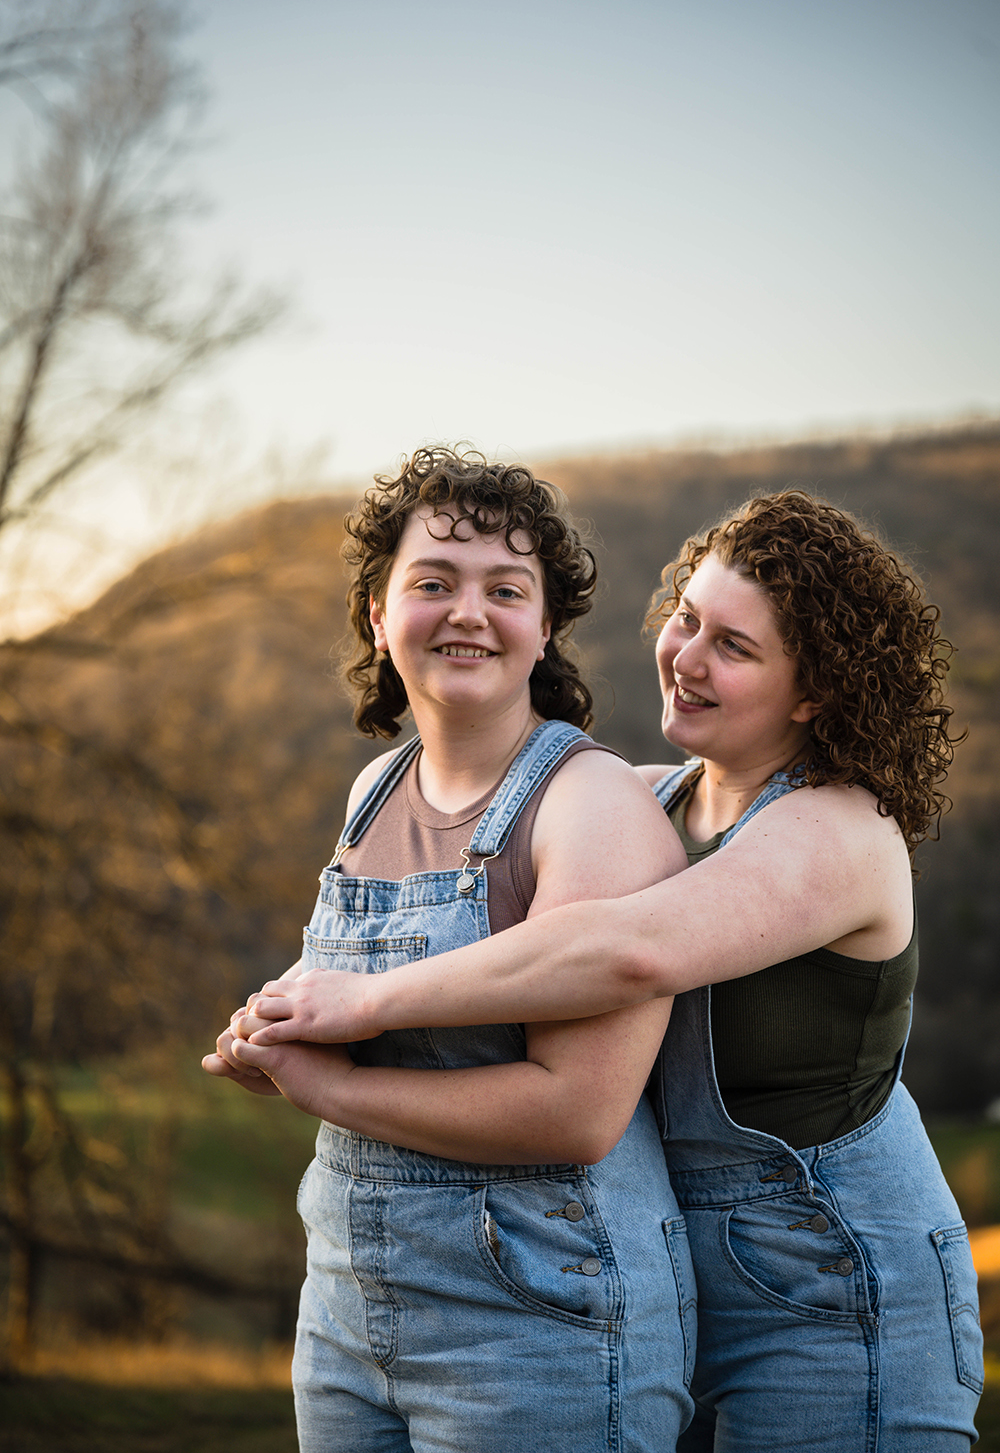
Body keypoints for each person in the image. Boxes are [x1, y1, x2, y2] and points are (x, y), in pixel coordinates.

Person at [233, 489, 983, 1451]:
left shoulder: (842, 830)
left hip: (835, 1287)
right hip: (680, 1269)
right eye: (686, 618)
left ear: (816, 692)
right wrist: (283, 1007)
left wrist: (361, 1004)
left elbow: (625, 953)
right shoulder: (647, 797)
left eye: (735, 648)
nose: (686, 658)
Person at [204, 447, 697, 1452]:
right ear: (378, 617)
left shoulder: (590, 807)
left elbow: (575, 1111)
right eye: (431, 582)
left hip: (541, 1323)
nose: (466, 611)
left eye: (504, 589)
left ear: (544, 625)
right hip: (347, 1310)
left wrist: (322, 1089)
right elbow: (347, 997)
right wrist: (272, 1032)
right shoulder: (372, 791)